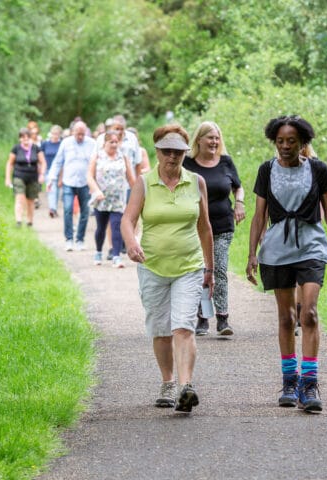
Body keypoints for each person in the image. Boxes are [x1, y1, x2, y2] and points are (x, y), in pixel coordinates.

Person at [245, 115, 327, 413]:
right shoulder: (266, 170)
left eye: (291, 141)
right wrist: (252, 253)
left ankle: (310, 383)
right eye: (280, 141)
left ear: (302, 142)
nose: (285, 146)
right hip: (277, 249)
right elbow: (259, 215)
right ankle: (289, 381)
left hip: (311, 246)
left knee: (310, 313)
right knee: (286, 318)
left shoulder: (318, 170)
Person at [121, 124, 214, 413]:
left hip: (189, 265)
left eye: (178, 152)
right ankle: (168, 382)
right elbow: (128, 219)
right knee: (161, 330)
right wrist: (131, 243)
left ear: (186, 153)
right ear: (157, 152)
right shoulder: (144, 183)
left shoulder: (197, 182)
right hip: (153, 266)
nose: (172, 157)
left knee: (183, 326)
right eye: (166, 151)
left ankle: (186, 387)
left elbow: (205, 228)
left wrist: (210, 269)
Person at [184, 121, 245, 336]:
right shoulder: (187, 163)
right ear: (199, 139)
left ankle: (222, 318)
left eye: (217, 138)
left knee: (218, 269)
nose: (214, 142)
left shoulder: (226, 162)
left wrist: (239, 203)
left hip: (222, 225)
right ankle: (202, 318)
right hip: (195, 227)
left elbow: (238, 187)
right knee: (200, 271)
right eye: (210, 137)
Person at [86, 129, 136, 268]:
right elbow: (89, 176)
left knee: (116, 226)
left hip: (118, 199)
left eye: (116, 142)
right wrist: (96, 190)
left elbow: (131, 179)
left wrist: (138, 194)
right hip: (101, 199)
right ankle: (98, 252)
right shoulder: (97, 156)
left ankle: (116, 256)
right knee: (101, 228)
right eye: (111, 142)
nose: (114, 144)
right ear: (105, 143)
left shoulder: (123, 157)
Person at [47, 121, 96, 251]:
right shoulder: (66, 143)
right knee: (68, 209)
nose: (80, 137)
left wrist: (95, 183)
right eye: (78, 134)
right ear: (73, 132)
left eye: (82, 134)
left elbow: (96, 162)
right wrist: (51, 178)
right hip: (68, 182)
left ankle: (80, 239)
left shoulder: (92, 143)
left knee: (85, 212)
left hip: (85, 182)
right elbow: (58, 161)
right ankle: (69, 239)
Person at [5, 127, 46, 227]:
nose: (25, 139)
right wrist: (7, 178)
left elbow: (43, 162)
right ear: (20, 138)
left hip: (32, 177)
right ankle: (18, 221)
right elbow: (9, 163)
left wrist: (42, 174)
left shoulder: (36, 148)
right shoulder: (16, 149)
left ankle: (29, 221)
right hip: (19, 176)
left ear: (30, 138)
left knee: (30, 200)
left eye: (27, 137)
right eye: (23, 137)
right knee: (19, 198)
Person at [42, 125, 63, 218]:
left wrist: (61, 177)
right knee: (52, 189)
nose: (55, 136)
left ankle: (54, 208)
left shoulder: (62, 144)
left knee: (57, 191)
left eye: (57, 134)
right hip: (48, 170)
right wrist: (41, 170)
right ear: (50, 134)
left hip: (59, 171)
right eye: (53, 133)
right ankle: (52, 209)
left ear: (60, 134)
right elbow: (41, 157)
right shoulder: (45, 144)